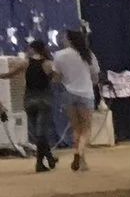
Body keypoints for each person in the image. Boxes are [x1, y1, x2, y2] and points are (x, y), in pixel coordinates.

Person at [52, 25, 101, 171]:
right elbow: (95, 77)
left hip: (68, 93)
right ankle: (79, 154)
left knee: (76, 128)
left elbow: (56, 78)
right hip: (86, 93)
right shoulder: (88, 54)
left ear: (69, 40)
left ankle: (82, 161)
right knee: (86, 129)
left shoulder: (59, 55)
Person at [11, 39, 56, 171]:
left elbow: (10, 74)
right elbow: (56, 79)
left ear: (32, 49)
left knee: (37, 133)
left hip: (29, 99)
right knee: (41, 132)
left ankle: (46, 158)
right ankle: (42, 161)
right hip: (44, 99)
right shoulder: (49, 64)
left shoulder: (25, 63)